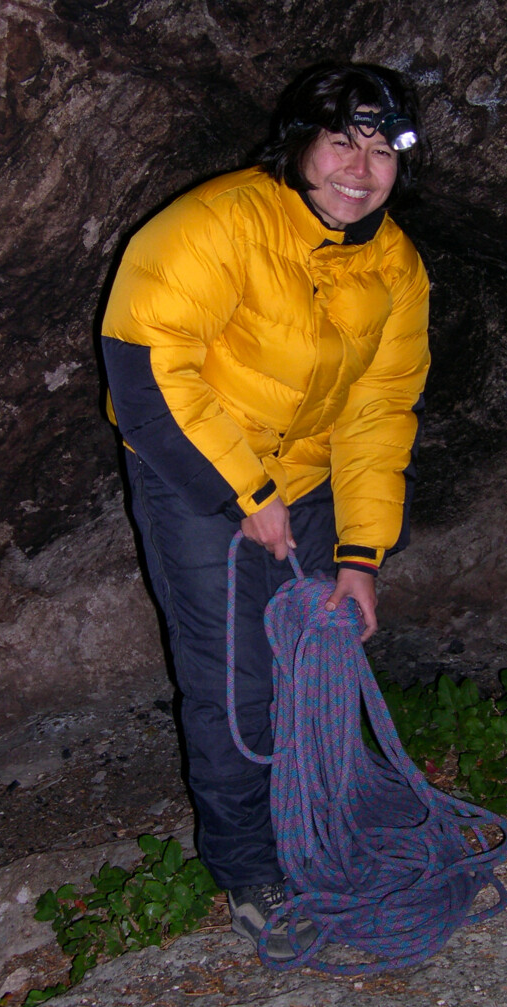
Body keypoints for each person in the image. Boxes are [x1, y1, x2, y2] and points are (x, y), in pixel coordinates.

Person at [100, 61, 430, 961]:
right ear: (299, 146)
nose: (361, 168)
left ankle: (322, 830)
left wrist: (362, 556)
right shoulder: (216, 225)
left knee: (314, 670)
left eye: (381, 147)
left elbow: (378, 413)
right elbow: (143, 370)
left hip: (310, 477)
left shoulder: (394, 265)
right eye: (341, 141)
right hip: (196, 469)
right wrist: (245, 492)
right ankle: (250, 868)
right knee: (236, 681)